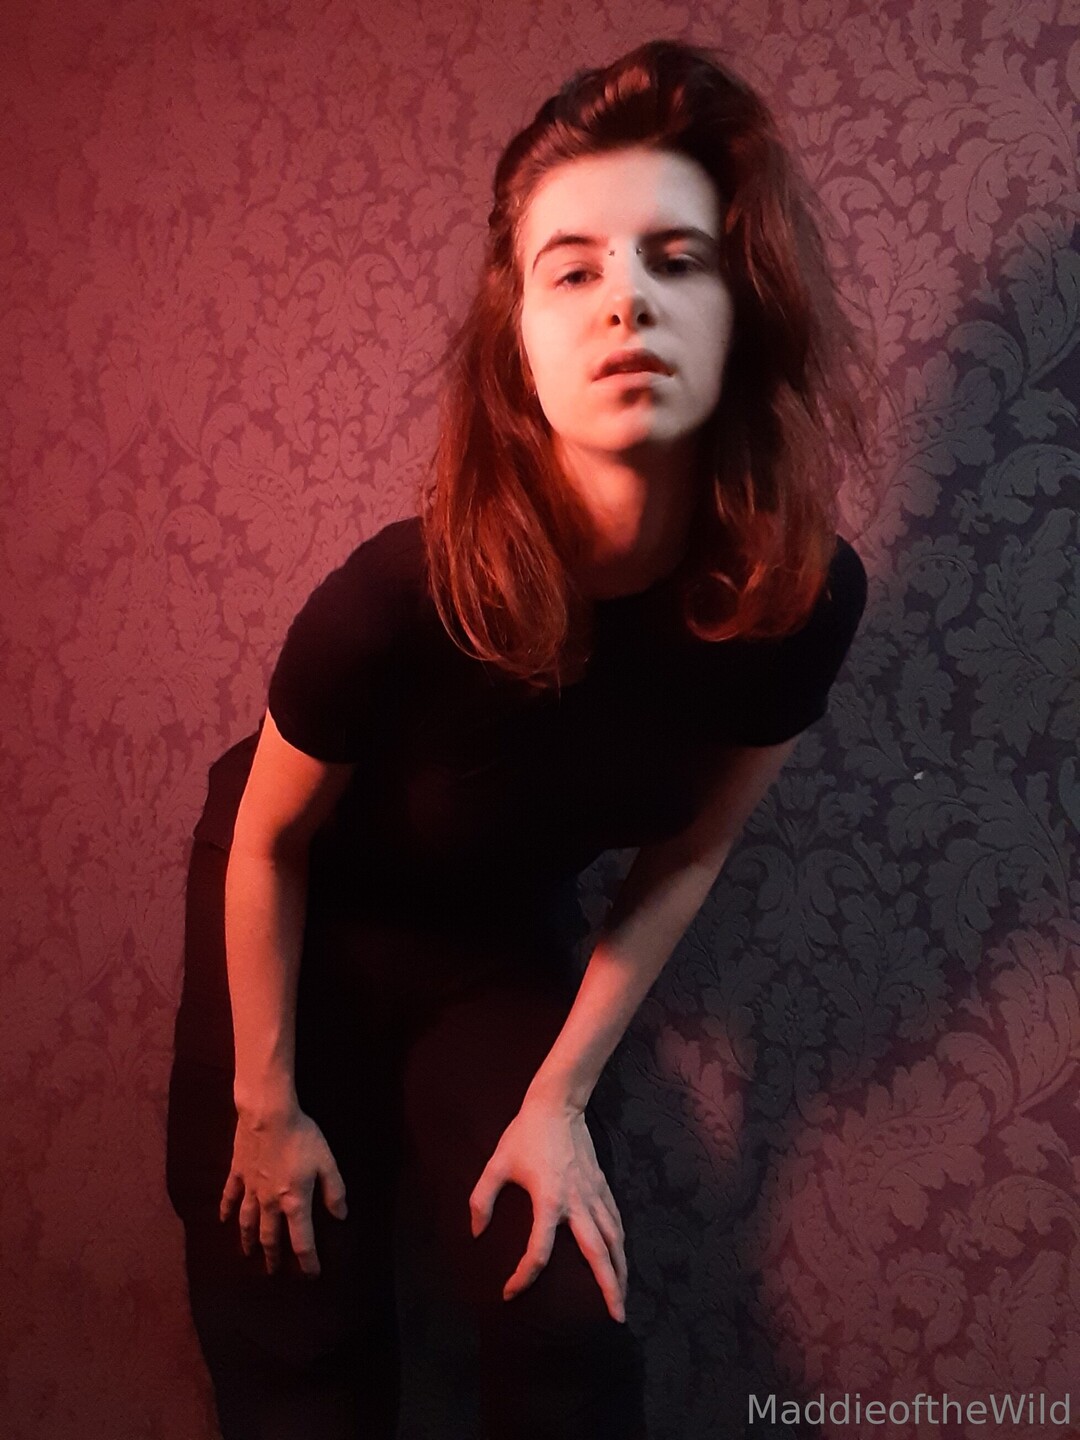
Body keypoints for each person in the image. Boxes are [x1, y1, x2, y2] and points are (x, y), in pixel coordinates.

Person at [165, 36, 876, 1440]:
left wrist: (560, 1098)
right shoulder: (393, 595)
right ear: (518, 339)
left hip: (491, 951)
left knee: (563, 1324)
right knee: (289, 1331)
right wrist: (264, 1100)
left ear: (745, 307)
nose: (627, 301)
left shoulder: (801, 602)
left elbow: (688, 854)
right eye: (573, 270)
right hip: (295, 926)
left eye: (677, 259)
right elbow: (268, 843)